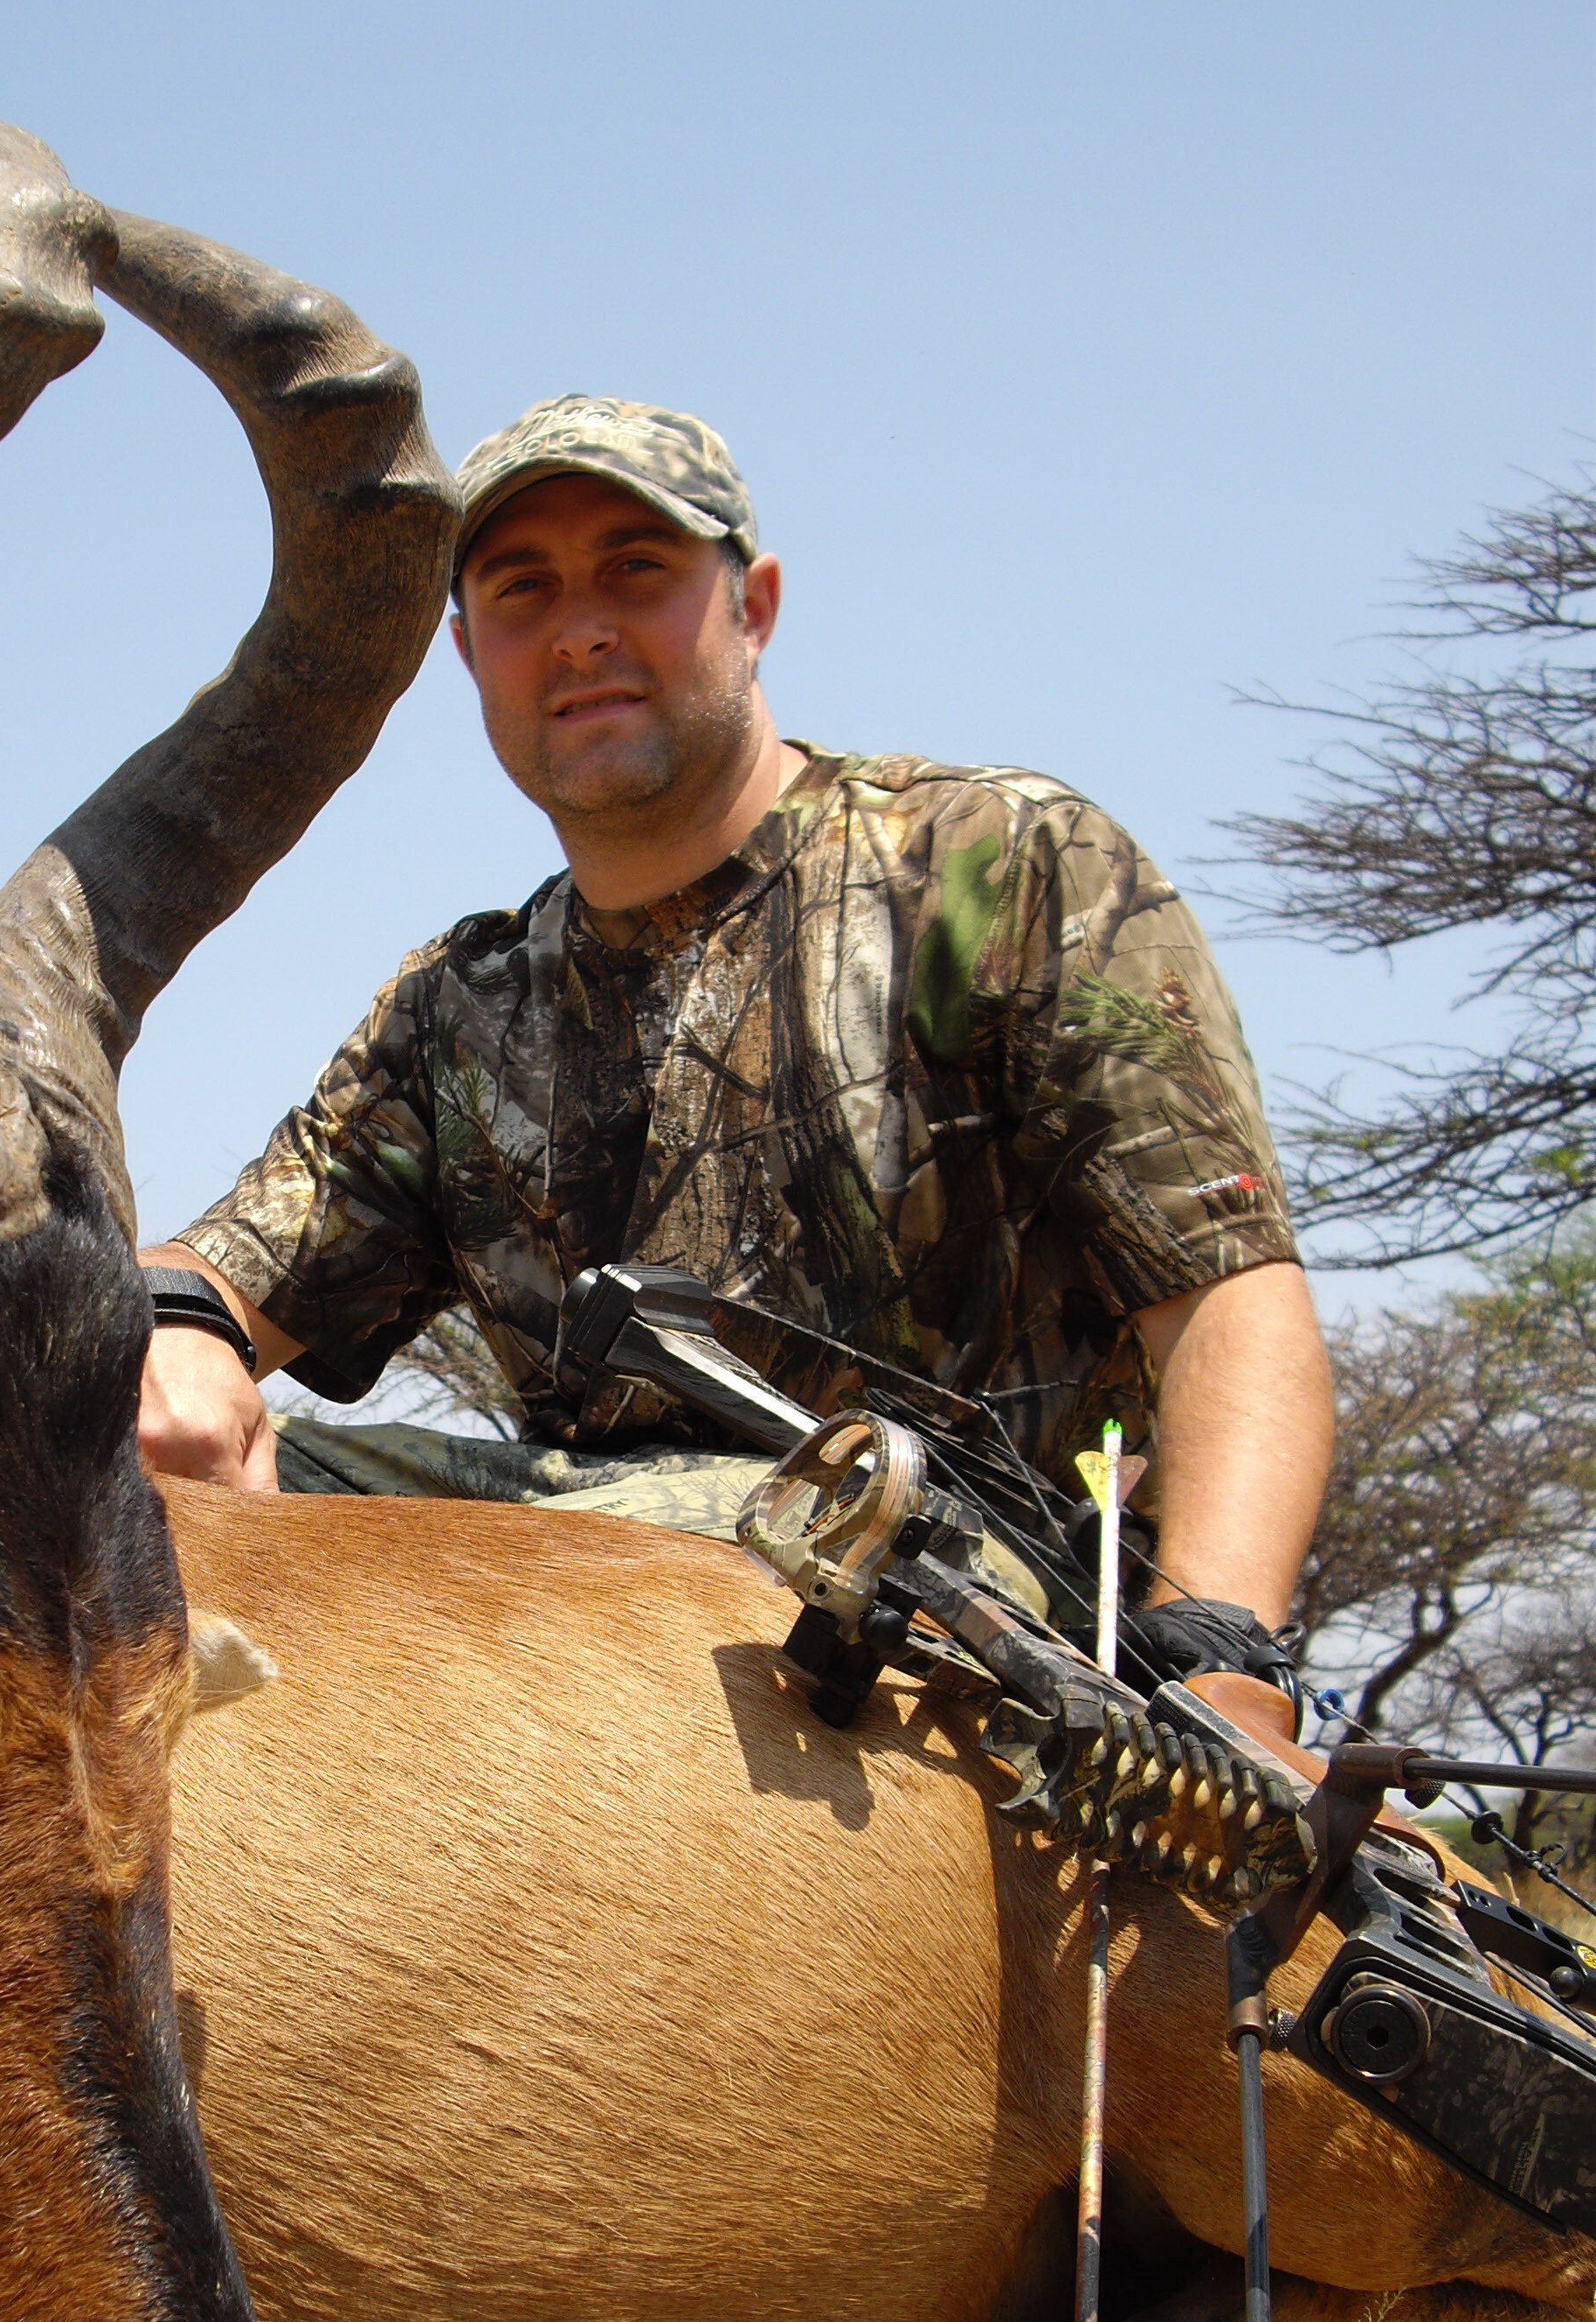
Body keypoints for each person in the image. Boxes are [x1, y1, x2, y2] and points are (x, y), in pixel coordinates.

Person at [137, 394, 1333, 1731]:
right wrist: (173, 1331)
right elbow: (222, 1266)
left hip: (952, 1571)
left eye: (635, 571)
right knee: (52, 1488)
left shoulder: (1002, 861)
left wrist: (1219, 1660)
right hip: (585, 1556)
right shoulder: (455, 1008)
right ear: (469, 653)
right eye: (523, 590)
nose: (581, 628)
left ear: (751, 604)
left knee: (659, 1532)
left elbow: (1226, 1294)